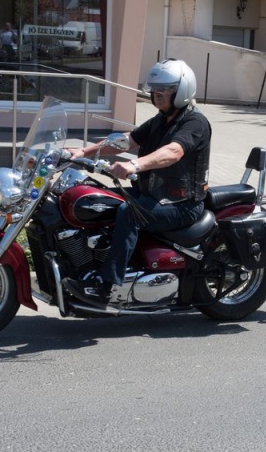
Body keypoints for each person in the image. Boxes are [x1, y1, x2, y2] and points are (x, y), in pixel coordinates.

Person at [63, 58, 211, 307]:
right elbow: (127, 140)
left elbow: (174, 151)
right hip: (155, 196)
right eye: (154, 90)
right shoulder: (161, 120)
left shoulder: (194, 122)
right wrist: (84, 152)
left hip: (182, 204)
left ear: (181, 91)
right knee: (97, 199)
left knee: (128, 212)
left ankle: (106, 287)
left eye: (163, 90)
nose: (156, 95)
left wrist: (134, 165)